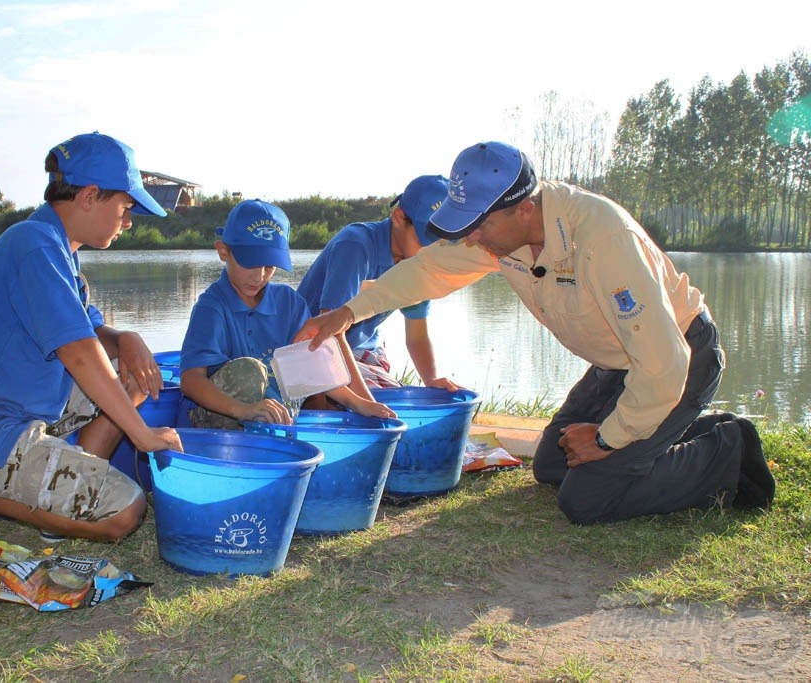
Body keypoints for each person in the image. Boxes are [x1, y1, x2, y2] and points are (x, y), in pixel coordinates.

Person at [295, 141, 775, 524]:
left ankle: (727, 453)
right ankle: (676, 431)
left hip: (678, 356)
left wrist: (608, 439)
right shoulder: (501, 232)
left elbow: (664, 363)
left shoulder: (603, 240)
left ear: (523, 209)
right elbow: (429, 270)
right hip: (619, 364)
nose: (471, 240)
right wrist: (349, 312)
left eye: (477, 228)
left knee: (587, 498)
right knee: (552, 466)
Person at [0, 132, 183, 556]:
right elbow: (77, 352)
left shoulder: (57, 249)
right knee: (125, 512)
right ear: (90, 196)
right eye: (126, 207)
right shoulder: (35, 245)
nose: (128, 221)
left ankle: (58, 497)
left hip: (13, 411)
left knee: (134, 375)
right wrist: (143, 435)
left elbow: (91, 334)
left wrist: (126, 338)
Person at [179, 199, 395, 428]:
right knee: (250, 372)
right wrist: (244, 411)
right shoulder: (212, 307)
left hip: (274, 417)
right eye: (250, 264)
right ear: (223, 251)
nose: (259, 276)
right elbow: (191, 381)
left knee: (303, 376)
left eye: (269, 266)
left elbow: (313, 371)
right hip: (223, 418)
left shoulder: (290, 303)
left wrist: (359, 403)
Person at [297, 174, 461, 391]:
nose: (432, 252)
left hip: (365, 349)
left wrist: (431, 381)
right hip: (314, 348)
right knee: (378, 403)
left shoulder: (421, 263)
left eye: (441, 244)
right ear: (399, 218)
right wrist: (366, 402)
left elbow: (417, 335)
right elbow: (330, 331)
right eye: (426, 241)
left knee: (398, 397)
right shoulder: (355, 246)